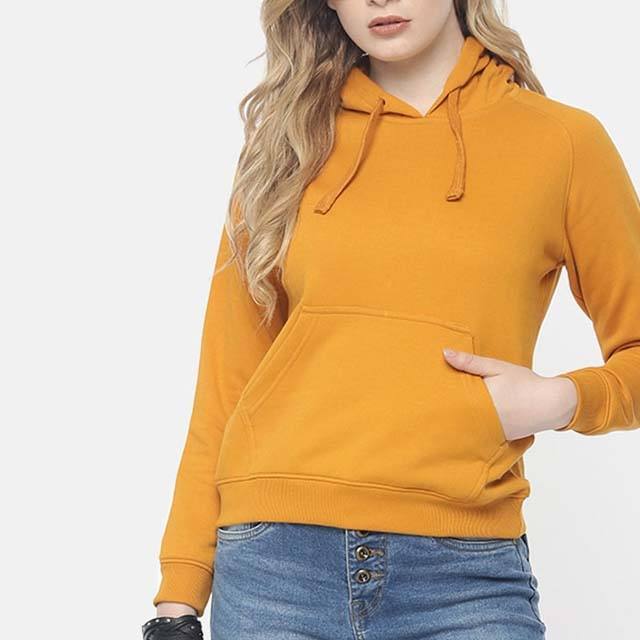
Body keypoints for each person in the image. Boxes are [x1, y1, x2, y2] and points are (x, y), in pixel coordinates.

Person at [143, 1, 640, 638]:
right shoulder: (288, 148)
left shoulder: (561, 142)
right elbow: (224, 385)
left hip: (466, 576)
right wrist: (179, 592)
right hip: (274, 571)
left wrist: (560, 400)